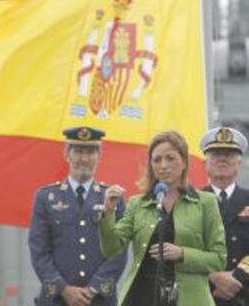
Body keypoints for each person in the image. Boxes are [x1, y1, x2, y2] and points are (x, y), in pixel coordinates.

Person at [100, 131, 227, 306]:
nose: (164, 165)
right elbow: (111, 249)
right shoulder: (137, 203)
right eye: (157, 160)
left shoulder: (206, 202)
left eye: (170, 158)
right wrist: (108, 212)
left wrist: (182, 253)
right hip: (142, 297)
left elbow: (219, 259)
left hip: (189, 300)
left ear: (184, 162)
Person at [29, 127, 127, 306]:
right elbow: (39, 252)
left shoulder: (113, 199)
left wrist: (93, 289)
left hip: (98, 300)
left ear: (99, 156)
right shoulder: (45, 198)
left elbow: (119, 252)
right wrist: (64, 289)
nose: (84, 158)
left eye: (90, 152)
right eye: (78, 151)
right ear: (67, 154)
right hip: (57, 300)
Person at [200, 126, 249, 305]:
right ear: (205, 162)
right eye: (215, 154)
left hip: (244, 292)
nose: (222, 158)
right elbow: (182, 245)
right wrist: (214, 277)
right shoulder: (191, 201)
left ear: (239, 161)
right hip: (203, 293)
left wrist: (236, 277)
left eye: (228, 154)